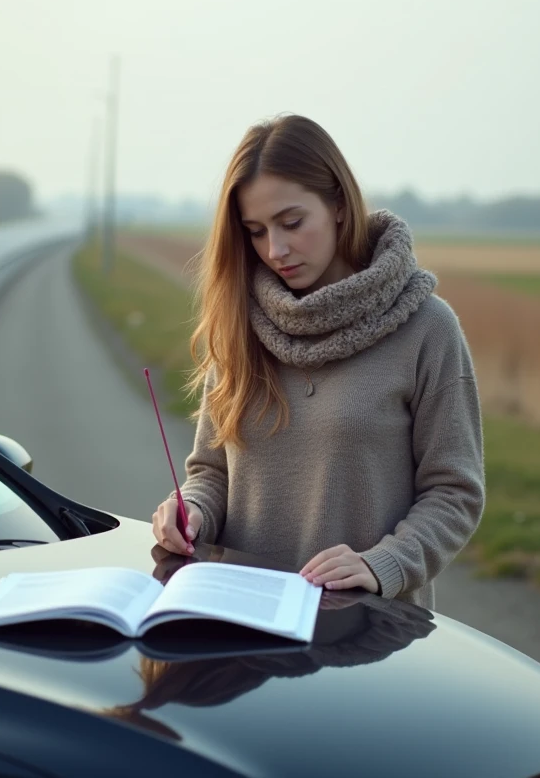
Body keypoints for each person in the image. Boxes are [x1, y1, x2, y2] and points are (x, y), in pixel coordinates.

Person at [151, 113, 485, 610]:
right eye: (256, 231)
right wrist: (192, 509)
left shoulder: (427, 328)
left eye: (291, 223)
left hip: (366, 637)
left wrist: (383, 563)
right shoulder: (242, 323)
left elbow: (454, 492)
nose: (275, 250)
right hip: (240, 624)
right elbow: (214, 471)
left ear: (339, 206)